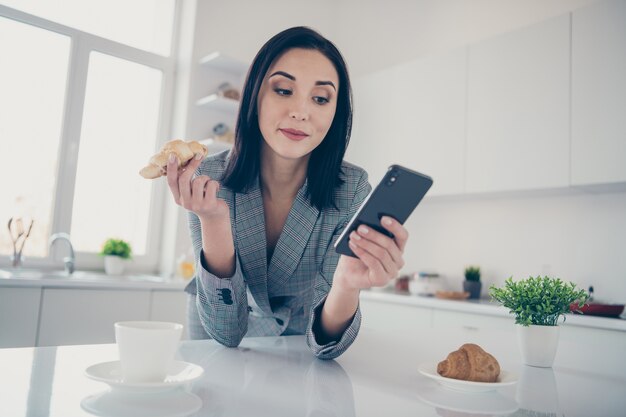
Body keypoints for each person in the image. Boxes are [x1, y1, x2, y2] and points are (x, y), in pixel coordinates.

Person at [167, 26, 409, 359]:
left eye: (321, 98)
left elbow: (328, 347)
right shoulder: (209, 177)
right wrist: (213, 221)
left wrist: (346, 286)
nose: (301, 111)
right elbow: (226, 332)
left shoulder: (352, 189)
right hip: (212, 345)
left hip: (296, 348)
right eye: (283, 90)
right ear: (255, 96)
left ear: (336, 113)